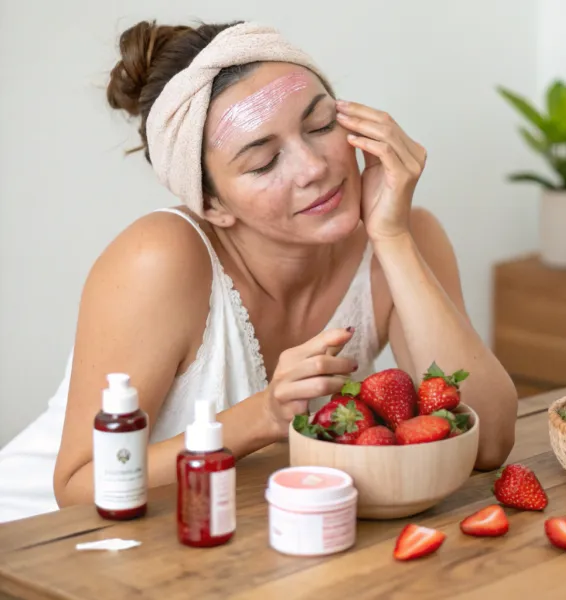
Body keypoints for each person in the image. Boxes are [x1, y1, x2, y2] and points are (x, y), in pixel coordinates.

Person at [0, 20, 517, 523]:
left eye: (321, 126)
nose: (314, 167)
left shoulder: (406, 236)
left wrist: (394, 238)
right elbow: (77, 486)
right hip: (39, 545)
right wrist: (263, 417)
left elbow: (489, 442)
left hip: (208, 543)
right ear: (211, 204)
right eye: (264, 162)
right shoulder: (159, 258)